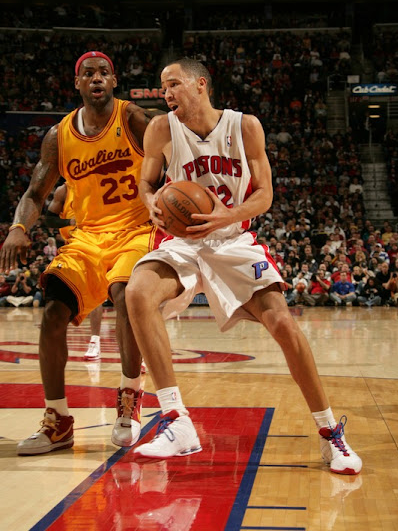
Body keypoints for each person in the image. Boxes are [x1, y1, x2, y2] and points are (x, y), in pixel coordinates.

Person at [125, 58, 362, 475]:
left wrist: (226, 216)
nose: (166, 93)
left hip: (232, 240)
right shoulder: (161, 128)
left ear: (200, 84)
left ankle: (330, 434)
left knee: (283, 325)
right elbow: (146, 182)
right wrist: (151, 203)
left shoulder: (245, 126)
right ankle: (176, 421)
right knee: (137, 292)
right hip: (182, 241)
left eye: (173, 84)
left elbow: (265, 194)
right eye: (163, 87)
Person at [0, 51, 164, 455]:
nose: (96, 78)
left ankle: (129, 398)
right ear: (77, 83)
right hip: (88, 237)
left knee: (125, 294)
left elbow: (172, 159)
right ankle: (58, 421)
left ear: (114, 80)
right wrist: (18, 228)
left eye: (103, 72)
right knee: (53, 312)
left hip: (136, 230)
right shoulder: (59, 136)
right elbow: (35, 193)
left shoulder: (132, 118)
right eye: (88, 73)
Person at [45, 183, 103, 361]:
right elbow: (49, 219)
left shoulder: (97, 183)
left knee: (121, 296)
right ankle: (92, 341)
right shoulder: (64, 190)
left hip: (99, 242)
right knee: (56, 299)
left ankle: (139, 352)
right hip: (73, 248)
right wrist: (69, 222)